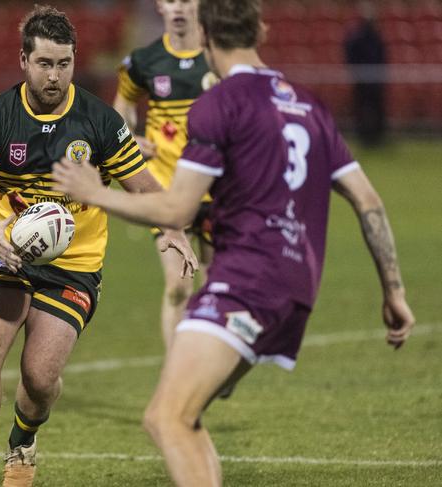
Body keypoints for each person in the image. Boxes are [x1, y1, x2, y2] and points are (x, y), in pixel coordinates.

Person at [53, 1, 416, 485]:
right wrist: (394, 292)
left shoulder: (220, 103)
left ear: (204, 37)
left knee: (164, 418)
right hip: (296, 288)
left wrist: (93, 192)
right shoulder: (309, 105)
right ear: (260, 30)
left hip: (246, 282)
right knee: (186, 413)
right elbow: (368, 201)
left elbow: (176, 211)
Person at [0, 5, 196, 487]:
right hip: (8, 253)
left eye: (64, 64)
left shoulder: (98, 121)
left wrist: (174, 230)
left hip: (75, 267)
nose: (55, 75)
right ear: (23, 60)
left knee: (39, 380)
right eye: (44, 63)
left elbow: (143, 186)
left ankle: (22, 441)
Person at [114, 0, 219, 349]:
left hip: (218, 190)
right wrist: (129, 140)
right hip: (167, 190)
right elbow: (122, 109)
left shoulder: (220, 56)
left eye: (185, 0)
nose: (178, 7)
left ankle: (209, 367)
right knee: (178, 286)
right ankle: (177, 376)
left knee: (216, 285)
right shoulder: (145, 61)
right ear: (159, 6)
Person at [344, 0, 388, 146]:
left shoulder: (377, 37)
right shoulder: (357, 37)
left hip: (376, 78)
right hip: (362, 78)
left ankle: (377, 137)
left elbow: (383, 55)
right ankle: (364, 136)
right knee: (362, 107)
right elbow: (350, 55)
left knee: (377, 107)